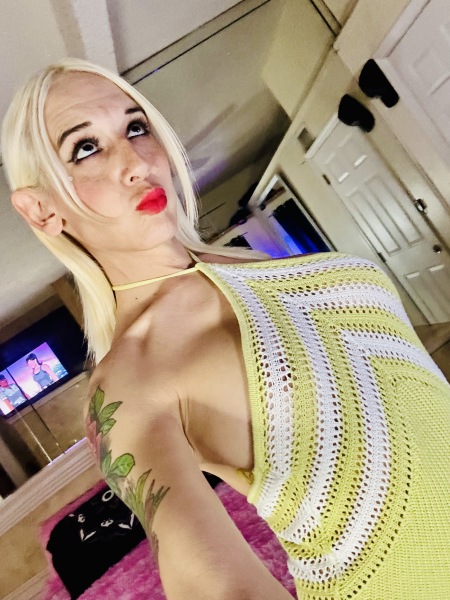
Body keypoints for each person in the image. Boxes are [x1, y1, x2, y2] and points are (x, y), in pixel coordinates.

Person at [2, 57, 449, 600]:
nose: (137, 162)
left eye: (136, 127)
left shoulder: (246, 262)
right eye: (86, 147)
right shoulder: (130, 382)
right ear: (42, 211)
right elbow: (214, 586)